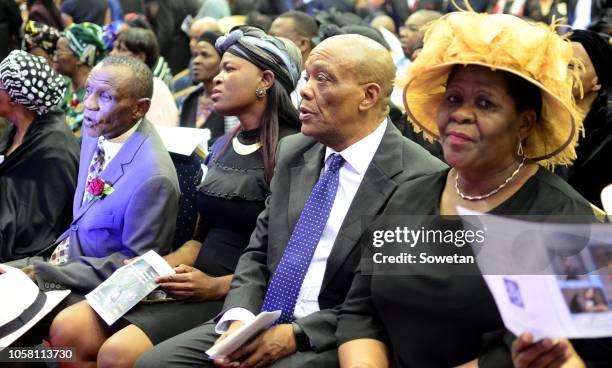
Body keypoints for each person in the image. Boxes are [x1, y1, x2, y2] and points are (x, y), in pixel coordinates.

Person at [135, 33, 445, 368]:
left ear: (368, 96)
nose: (305, 91)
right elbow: (256, 252)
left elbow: (384, 301)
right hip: (259, 318)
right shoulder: (295, 151)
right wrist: (239, 317)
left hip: (331, 335)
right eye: (307, 77)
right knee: (152, 364)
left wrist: (296, 334)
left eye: (323, 80)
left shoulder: (419, 177)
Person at [337, 11, 608, 368]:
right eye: (453, 99)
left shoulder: (569, 220)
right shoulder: (408, 196)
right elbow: (360, 312)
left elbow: (588, 348)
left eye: (484, 102)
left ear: (524, 123)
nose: (461, 114)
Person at [49, 26, 304, 367]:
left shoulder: (293, 152)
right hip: (191, 276)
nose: (216, 77)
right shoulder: (223, 146)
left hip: (238, 290)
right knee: (68, 330)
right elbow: (202, 236)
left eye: (229, 69)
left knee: (115, 354)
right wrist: (160, 265)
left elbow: (290, 260)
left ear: (266, 81)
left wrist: (213, 286)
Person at [26, 55, 180, 295]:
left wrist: (46, 273)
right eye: (89, 91)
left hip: (91, 288)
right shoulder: (97, 129)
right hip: (63, 254)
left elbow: (134, 270)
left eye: (105, 96)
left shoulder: (154, 178)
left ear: (140, 108)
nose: (89, 104)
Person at [0, 50, 79, 262]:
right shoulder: (17, 128)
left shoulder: (55, 150)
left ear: (15, 96)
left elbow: (41, 225)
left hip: (26, 252)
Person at [556, 30, 612, 208]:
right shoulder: (537, 114)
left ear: (597, 81)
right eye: (558, 63)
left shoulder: (607, 137)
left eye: (572, 66)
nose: (560, 72)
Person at [110, 27, 179, 127]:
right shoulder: (124, 84)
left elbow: (161, 135)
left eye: (121, 49)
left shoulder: (156, 88)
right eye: (114, 48)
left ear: (140, 57)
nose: (112, 54)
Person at [54, 22, 107, 135]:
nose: (55, 57)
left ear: (80, 58)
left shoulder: (97, 97)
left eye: (60, 51)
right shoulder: (61, 86)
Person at [178, 31, 226, 140]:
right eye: (195, 55)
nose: (196, 61)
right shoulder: (188, 100)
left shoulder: (232, 106)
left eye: (205, 55)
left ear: (222, 61)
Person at [268, 11, 318, 109]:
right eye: (267, 38)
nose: (267, 44)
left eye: (275, 38)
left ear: (303, 44)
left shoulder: (319, 87)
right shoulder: (270, 80)